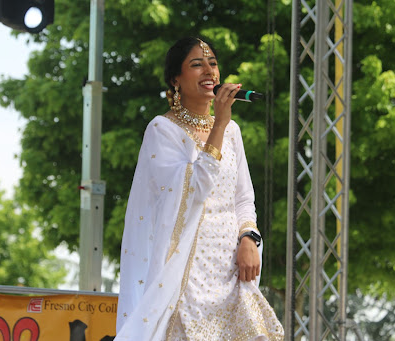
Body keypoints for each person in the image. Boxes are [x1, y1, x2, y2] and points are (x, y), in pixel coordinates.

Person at [115, 37, 284, 341]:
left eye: (213, 63)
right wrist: (218, 124)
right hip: (187, 275)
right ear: (175, 80)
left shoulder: (233, 131)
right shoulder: (162, 130)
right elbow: (194, 189)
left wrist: (249, 237)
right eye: (197, 64)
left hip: (233, 268)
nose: (209, 71)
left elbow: (244, 197)